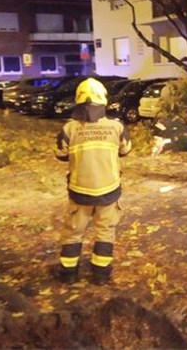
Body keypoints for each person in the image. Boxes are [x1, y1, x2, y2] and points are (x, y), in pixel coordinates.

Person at [54, 77, 132, 285]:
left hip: (79, 191)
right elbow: (125, 150)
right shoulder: (116, 127)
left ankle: (68, 275)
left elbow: (60, 154)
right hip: (109, 191)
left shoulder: (69, 129)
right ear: (103, 99)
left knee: (73, 232)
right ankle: (101, 275)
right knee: (105, 231)